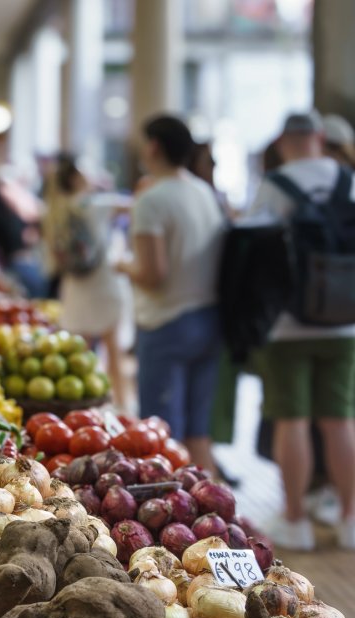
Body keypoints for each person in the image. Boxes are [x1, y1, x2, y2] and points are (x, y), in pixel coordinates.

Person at [246, 111, 355, 551]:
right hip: (345, 321)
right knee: (340, 421)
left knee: (292, 421)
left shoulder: (276, 185)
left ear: (282, 142)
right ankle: (350, 519)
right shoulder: (348, 180)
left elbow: (252, 251)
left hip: (288, 325)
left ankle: (295, 520)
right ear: (320, 136)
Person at [116, 115, 226, 475]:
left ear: (153, 147)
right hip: (209, 319)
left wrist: (123, 264)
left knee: (161, 439)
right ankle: (212, 501)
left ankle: (171, 507)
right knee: (198, 433)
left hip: (166, 324)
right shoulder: (203, 192)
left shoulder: (151, 200)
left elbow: (153, 275)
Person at [43, 155, 132, 410]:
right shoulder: (95, 204)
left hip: (75, 287)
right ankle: (121, 406)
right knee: (113, 350)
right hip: (103, 283)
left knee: (78, 355)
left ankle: (80, 408)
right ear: (75, 179)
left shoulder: (55, 210)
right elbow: (132, 206)